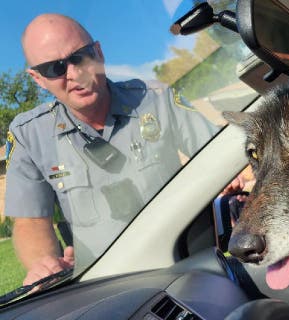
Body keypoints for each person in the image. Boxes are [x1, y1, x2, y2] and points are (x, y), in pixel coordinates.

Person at [4, 13, 227, 286]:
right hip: (101, 282)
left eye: (80, 57)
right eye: (55, 68)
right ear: (38, 79)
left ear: (98, 52)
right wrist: (44, 264)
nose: (74, 74)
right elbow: (30, 221)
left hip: (183, 265)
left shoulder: (155, 99)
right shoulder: (29, 134)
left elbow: (221, 154)